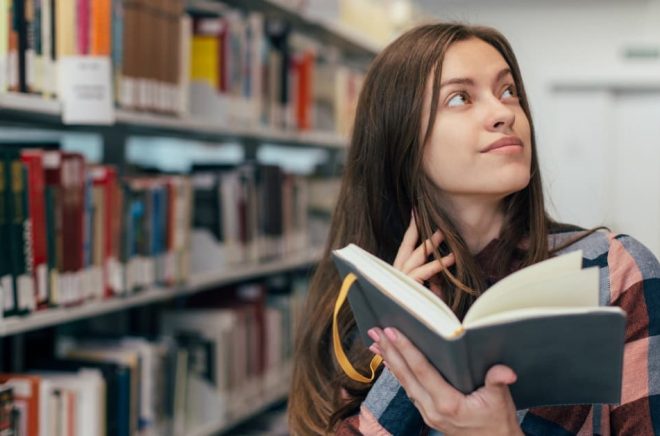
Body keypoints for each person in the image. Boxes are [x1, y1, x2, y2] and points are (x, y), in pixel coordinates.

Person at [288, 22, 660, 435]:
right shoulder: (358, 302)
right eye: (460, 98)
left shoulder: (614, 269)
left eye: (508, 91)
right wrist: (404, 328)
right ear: (401, 138)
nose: (503, 113)